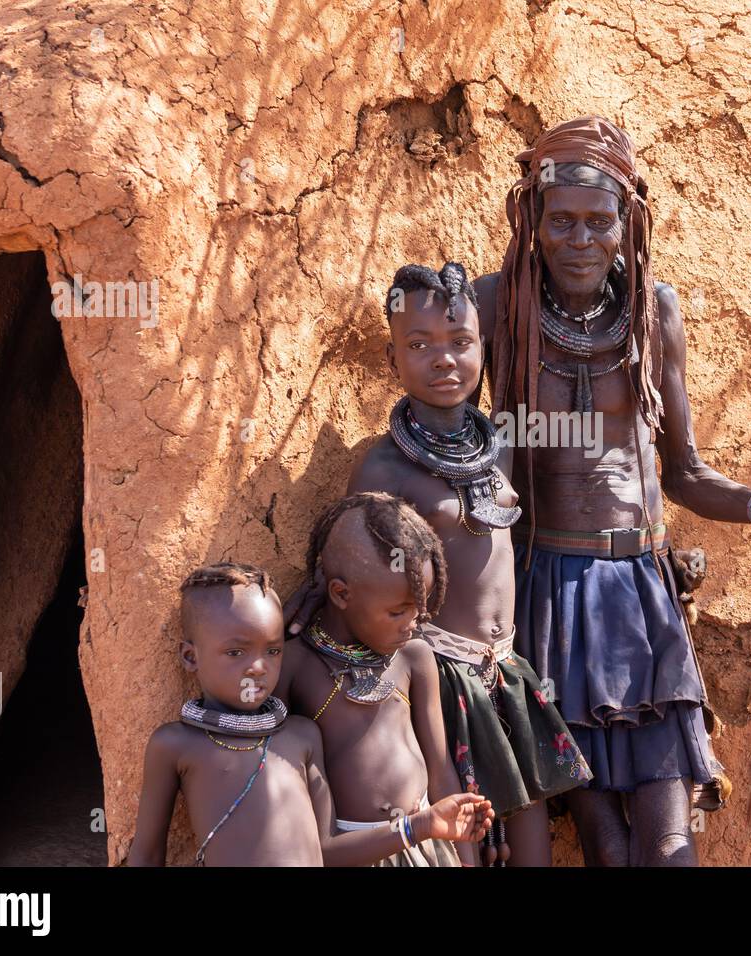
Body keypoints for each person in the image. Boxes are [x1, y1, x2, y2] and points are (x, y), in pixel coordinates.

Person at [468, 116, 751, 866]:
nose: (581, 239)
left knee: (670, 841)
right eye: (562, 221)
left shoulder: (655, 312)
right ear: (532, 220)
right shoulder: (494, 308)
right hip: (549, 589)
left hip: (641, 596)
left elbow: (683, 472)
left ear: (630, 223)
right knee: (608, 847)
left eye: (600, 221)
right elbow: (467, 448)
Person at [347, 261, 590, 866]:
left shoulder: (502, 446)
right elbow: (352, 576)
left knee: (532, 844)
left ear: (482, 347)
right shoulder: (383, 471)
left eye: (460, 343)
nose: (444, 359)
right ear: (391, 358)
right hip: (439, 680)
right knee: (466, 843)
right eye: (419, 345)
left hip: (506, 673)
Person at [129, 561, 493, 866]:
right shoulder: (176, 744)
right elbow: (146, 854)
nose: (258, 667)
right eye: (237, 653)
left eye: (272, 651)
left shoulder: (300, 736)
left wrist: (422, 825)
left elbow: (328, 851)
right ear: (191, 656)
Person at [275, 492, 494, 866]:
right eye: (398, 611)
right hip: (354, 851)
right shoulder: (297, 665)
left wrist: (466, 859)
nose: (414, 621)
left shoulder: (413, 657)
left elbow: (441, 770)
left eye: (420, 608)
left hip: (430, 845)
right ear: (341, 594)